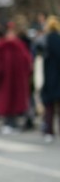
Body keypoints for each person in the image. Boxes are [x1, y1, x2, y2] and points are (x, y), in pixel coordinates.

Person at [0, 22, 33, 134]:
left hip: (4, 83)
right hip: (18, 82)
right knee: (16, 103)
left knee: (6, 103)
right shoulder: (20, 47)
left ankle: (8, 123)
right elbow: (28, 62)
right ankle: (13, 123)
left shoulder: (0, 47)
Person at [40, 15, 60, 143]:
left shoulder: (44, 41)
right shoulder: (58, 39)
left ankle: (49, 131)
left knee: (49, 106)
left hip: (48, 76)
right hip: (58, 76)